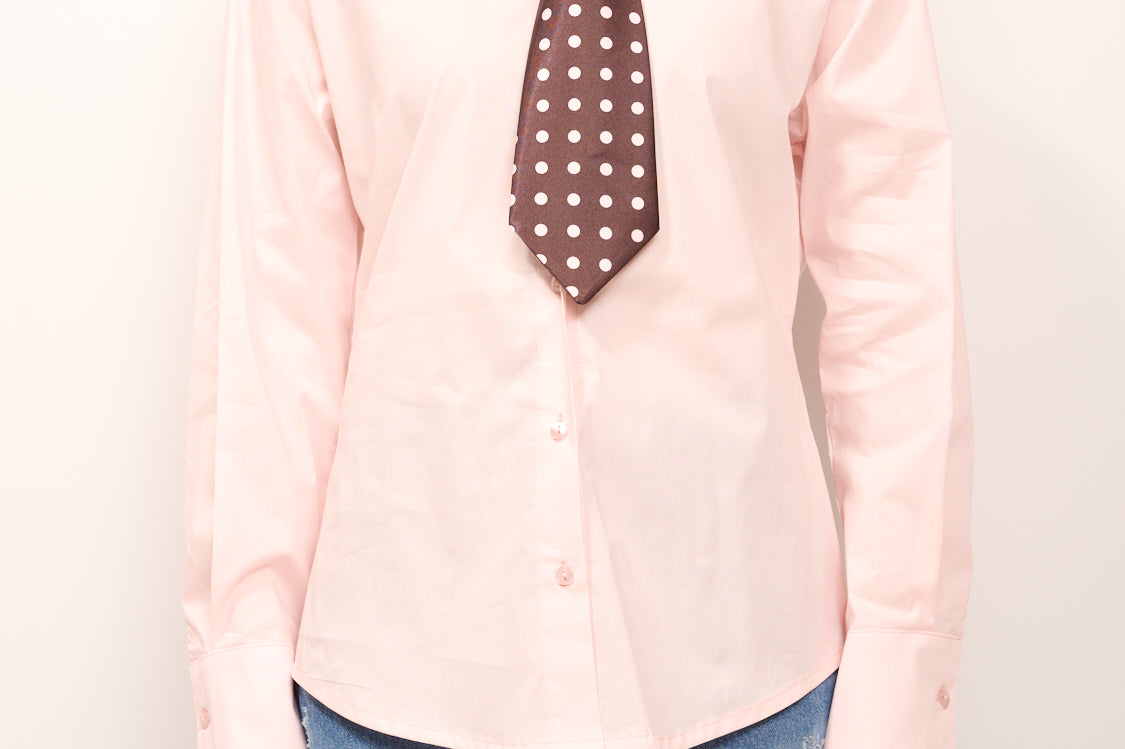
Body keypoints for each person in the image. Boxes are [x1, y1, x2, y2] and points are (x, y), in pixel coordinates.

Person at [180, 1, 974, 748]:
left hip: (743, 678)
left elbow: (893, 290)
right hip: (395, 681)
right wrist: (244, 680)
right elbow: (272, 303)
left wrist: (896, 677)